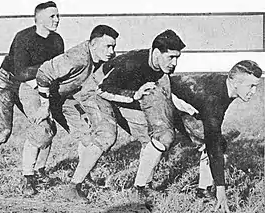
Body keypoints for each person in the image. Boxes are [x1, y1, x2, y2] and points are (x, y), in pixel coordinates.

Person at [0, 1, 64, 192]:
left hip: (31, 83)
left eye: (58, 16)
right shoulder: (24, 37)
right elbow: (20, 72)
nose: (57, 20)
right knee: (2, 132)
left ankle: (38, 172)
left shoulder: (57, 40)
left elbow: (54, 72)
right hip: (6, 82)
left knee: (45, 124)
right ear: (39, 18)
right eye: (52, 16)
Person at [23, 25, 119, 199]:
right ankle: (28, 177)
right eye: (108, 46)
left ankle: (84, 175)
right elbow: (43, 74)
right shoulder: (78, 58)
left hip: (62, 95)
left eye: (114, 46)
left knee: (87, 132)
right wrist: (45, 107)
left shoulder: (100, 59)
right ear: (93, 44)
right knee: (42, 130)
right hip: (37, 90)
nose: (112, 51)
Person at [97, 29, 186, 194]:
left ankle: (142, 186)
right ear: (157, 52)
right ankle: (138, 187)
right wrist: (134, 95)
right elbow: (102, 89)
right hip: (102, 94)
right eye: (171, 57)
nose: (174, 63)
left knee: (153, 137)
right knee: (117, 137)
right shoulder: (132, 63)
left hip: (127, 96)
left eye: (177, 58)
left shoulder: (161, 67)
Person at [171, 60, 262, 213]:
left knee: (217, 142)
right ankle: (141, 187)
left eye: (255, 86)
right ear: (234, 83)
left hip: (188, 102)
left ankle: (203, 189)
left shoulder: (225, 87)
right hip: (167, 97)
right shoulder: (213, 100)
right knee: (212, 143)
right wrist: (221, 191)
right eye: (250, 86)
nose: (253, 91)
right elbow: (214, 146)